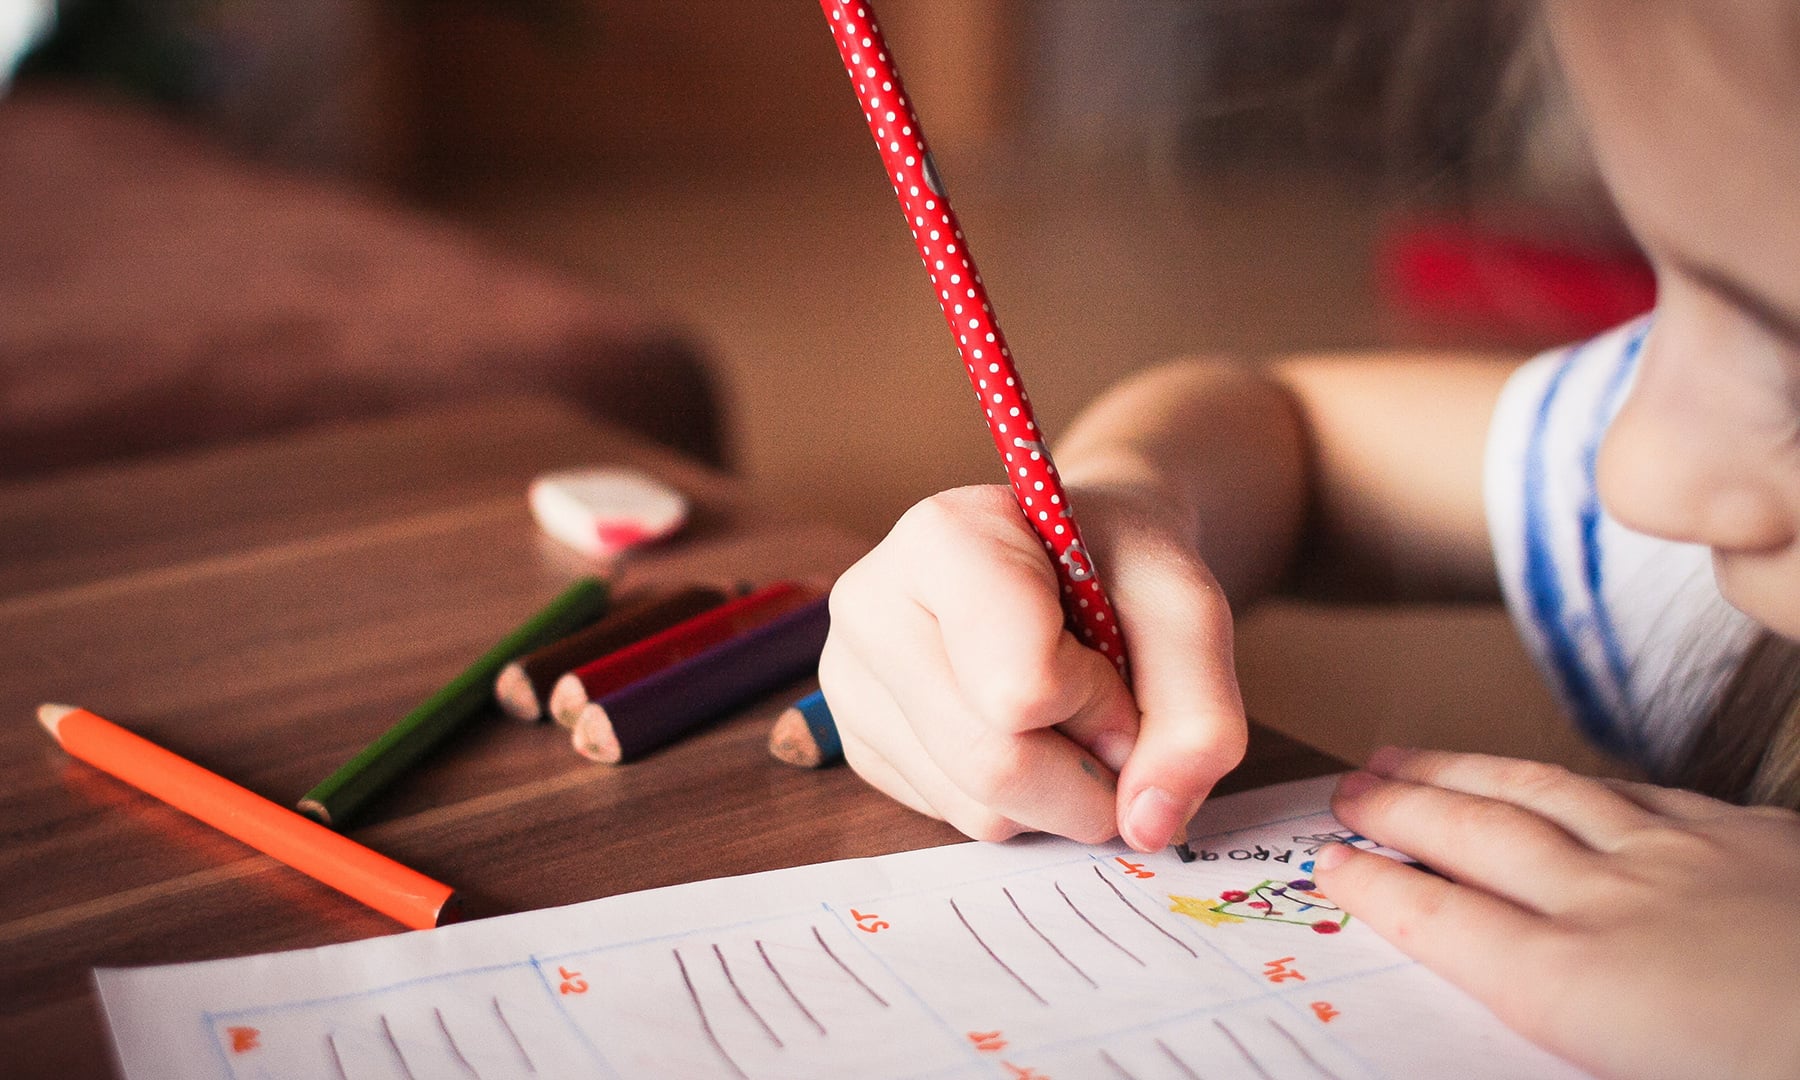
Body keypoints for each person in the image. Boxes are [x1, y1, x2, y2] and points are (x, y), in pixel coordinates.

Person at [817, 1, 1800, 1076]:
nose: (1632, 469)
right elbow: (1295, 436)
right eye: (1670, 297)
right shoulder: (1706, 501)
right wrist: (1131, 509)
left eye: (1789, 359)